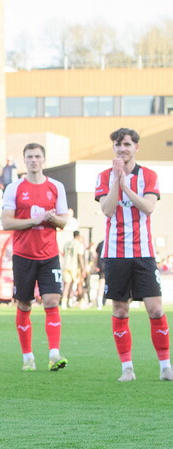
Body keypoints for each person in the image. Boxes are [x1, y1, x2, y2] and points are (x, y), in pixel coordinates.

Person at [94, 128, 169, 382]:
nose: (122, 148)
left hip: (144, 252)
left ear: (136, 147)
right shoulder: (104, 176)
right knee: (120, 310)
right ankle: (127, 368)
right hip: (115, 253)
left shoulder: (148, 175)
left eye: (126, 144)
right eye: (117, 144)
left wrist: (127, 187)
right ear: (113, 148)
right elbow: (107, 209)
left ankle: (165, 366)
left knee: (156, 309)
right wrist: (117, 181)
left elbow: (148, 207)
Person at [1, 143, 69, 372]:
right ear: (24, 159)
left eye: (37, 156)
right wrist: (35, 220)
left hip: (49, 255)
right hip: (23, 255)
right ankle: (28, 356)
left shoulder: (56, 187)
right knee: (24, 303)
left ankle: (54, 354)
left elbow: (63, 221)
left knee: (52, 301)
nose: (34, 160)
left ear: (44, 159)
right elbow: (6, 222)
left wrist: (51, 218)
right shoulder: (15, 188)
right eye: (29, 156)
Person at [60, 230, 85, 308]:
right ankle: (81, 301)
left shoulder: (67, 243)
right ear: (78, 236)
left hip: (66, 265)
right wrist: (83, 269)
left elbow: (63, 253)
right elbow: (80, 256)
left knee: (67, 285)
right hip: (74, 266)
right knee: (79, 284)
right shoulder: (79, 244)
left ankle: (65, 301)